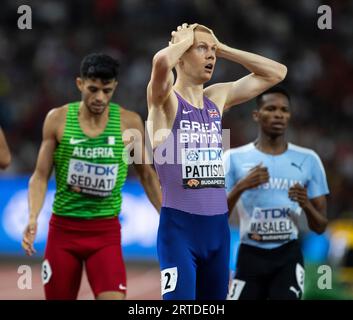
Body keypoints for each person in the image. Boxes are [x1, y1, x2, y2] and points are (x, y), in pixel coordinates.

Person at [147, 23, 287, 300]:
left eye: (213, 51)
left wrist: (222, 48)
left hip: (218, 232)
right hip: (179, 232)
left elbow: (277, 72)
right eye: (201, 49)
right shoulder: (165, 102)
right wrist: (182, 42)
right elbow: (161, 61)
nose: (211, 56)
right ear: (182, 55)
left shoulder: (216, 99)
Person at [22, 53, 162, 300]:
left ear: (115, 87)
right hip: (63, 233)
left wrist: (168, 216)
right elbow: (40, 176)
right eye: (93, 89)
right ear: (79, 84)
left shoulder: (128, 122)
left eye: (107, 91)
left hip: (105, 234)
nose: (100, 98)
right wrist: (32, 217)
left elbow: (147, 175)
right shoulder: (58, 119)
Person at [224, 86, 329, 300]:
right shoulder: (234, 157)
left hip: (288, 256)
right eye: (271, 108)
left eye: (284, 110)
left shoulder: (309, 160)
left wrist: (306, 204)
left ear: (289, 115)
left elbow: (320, 226)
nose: (279, 114)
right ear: (256, 115)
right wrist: (241, 186)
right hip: (250, 254)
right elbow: (218, 215)